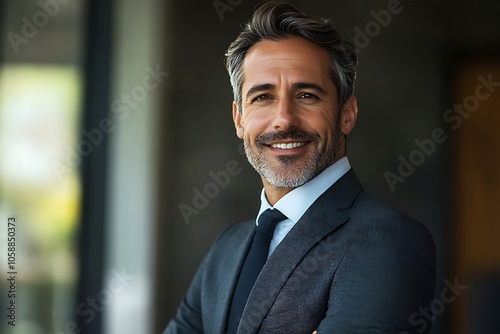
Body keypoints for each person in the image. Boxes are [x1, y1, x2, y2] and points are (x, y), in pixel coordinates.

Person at [163, 2, 436, 333]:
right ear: (239, 117)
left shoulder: (388, 241)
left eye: (306, 95)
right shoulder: (228, 247)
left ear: (346, 113)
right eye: (262, 97)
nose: (283, 119)